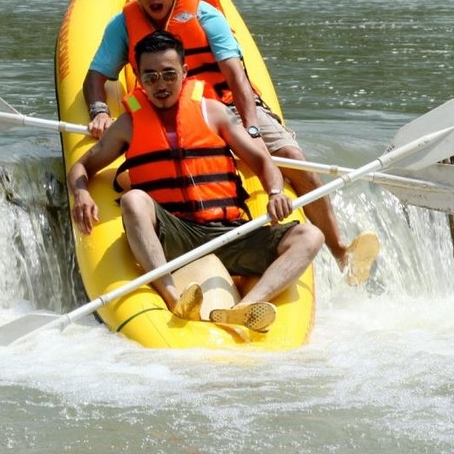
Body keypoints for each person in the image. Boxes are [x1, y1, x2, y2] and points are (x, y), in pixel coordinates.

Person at [83, 0, 378, 284]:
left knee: (294, 161)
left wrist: (251, 129)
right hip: (168, 108)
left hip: (227, 106)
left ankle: (338, 249)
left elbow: (236, 77)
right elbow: (95, 76)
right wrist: (99, 110)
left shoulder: (204, 15)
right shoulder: (124, 25)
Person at [68, 31, 324, 331]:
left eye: (169, 75)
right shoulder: (129, 123)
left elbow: (262, 161)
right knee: (133, 199)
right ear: (139, 78)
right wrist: (81, 193)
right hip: (175, 234)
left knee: (310, 236)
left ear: (185, 72)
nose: (160, 85)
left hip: (227, 232)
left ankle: (245, 307)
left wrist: (275, 191)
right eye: (150, 78)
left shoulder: (213, 112)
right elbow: (81, 168)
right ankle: (173, 297)